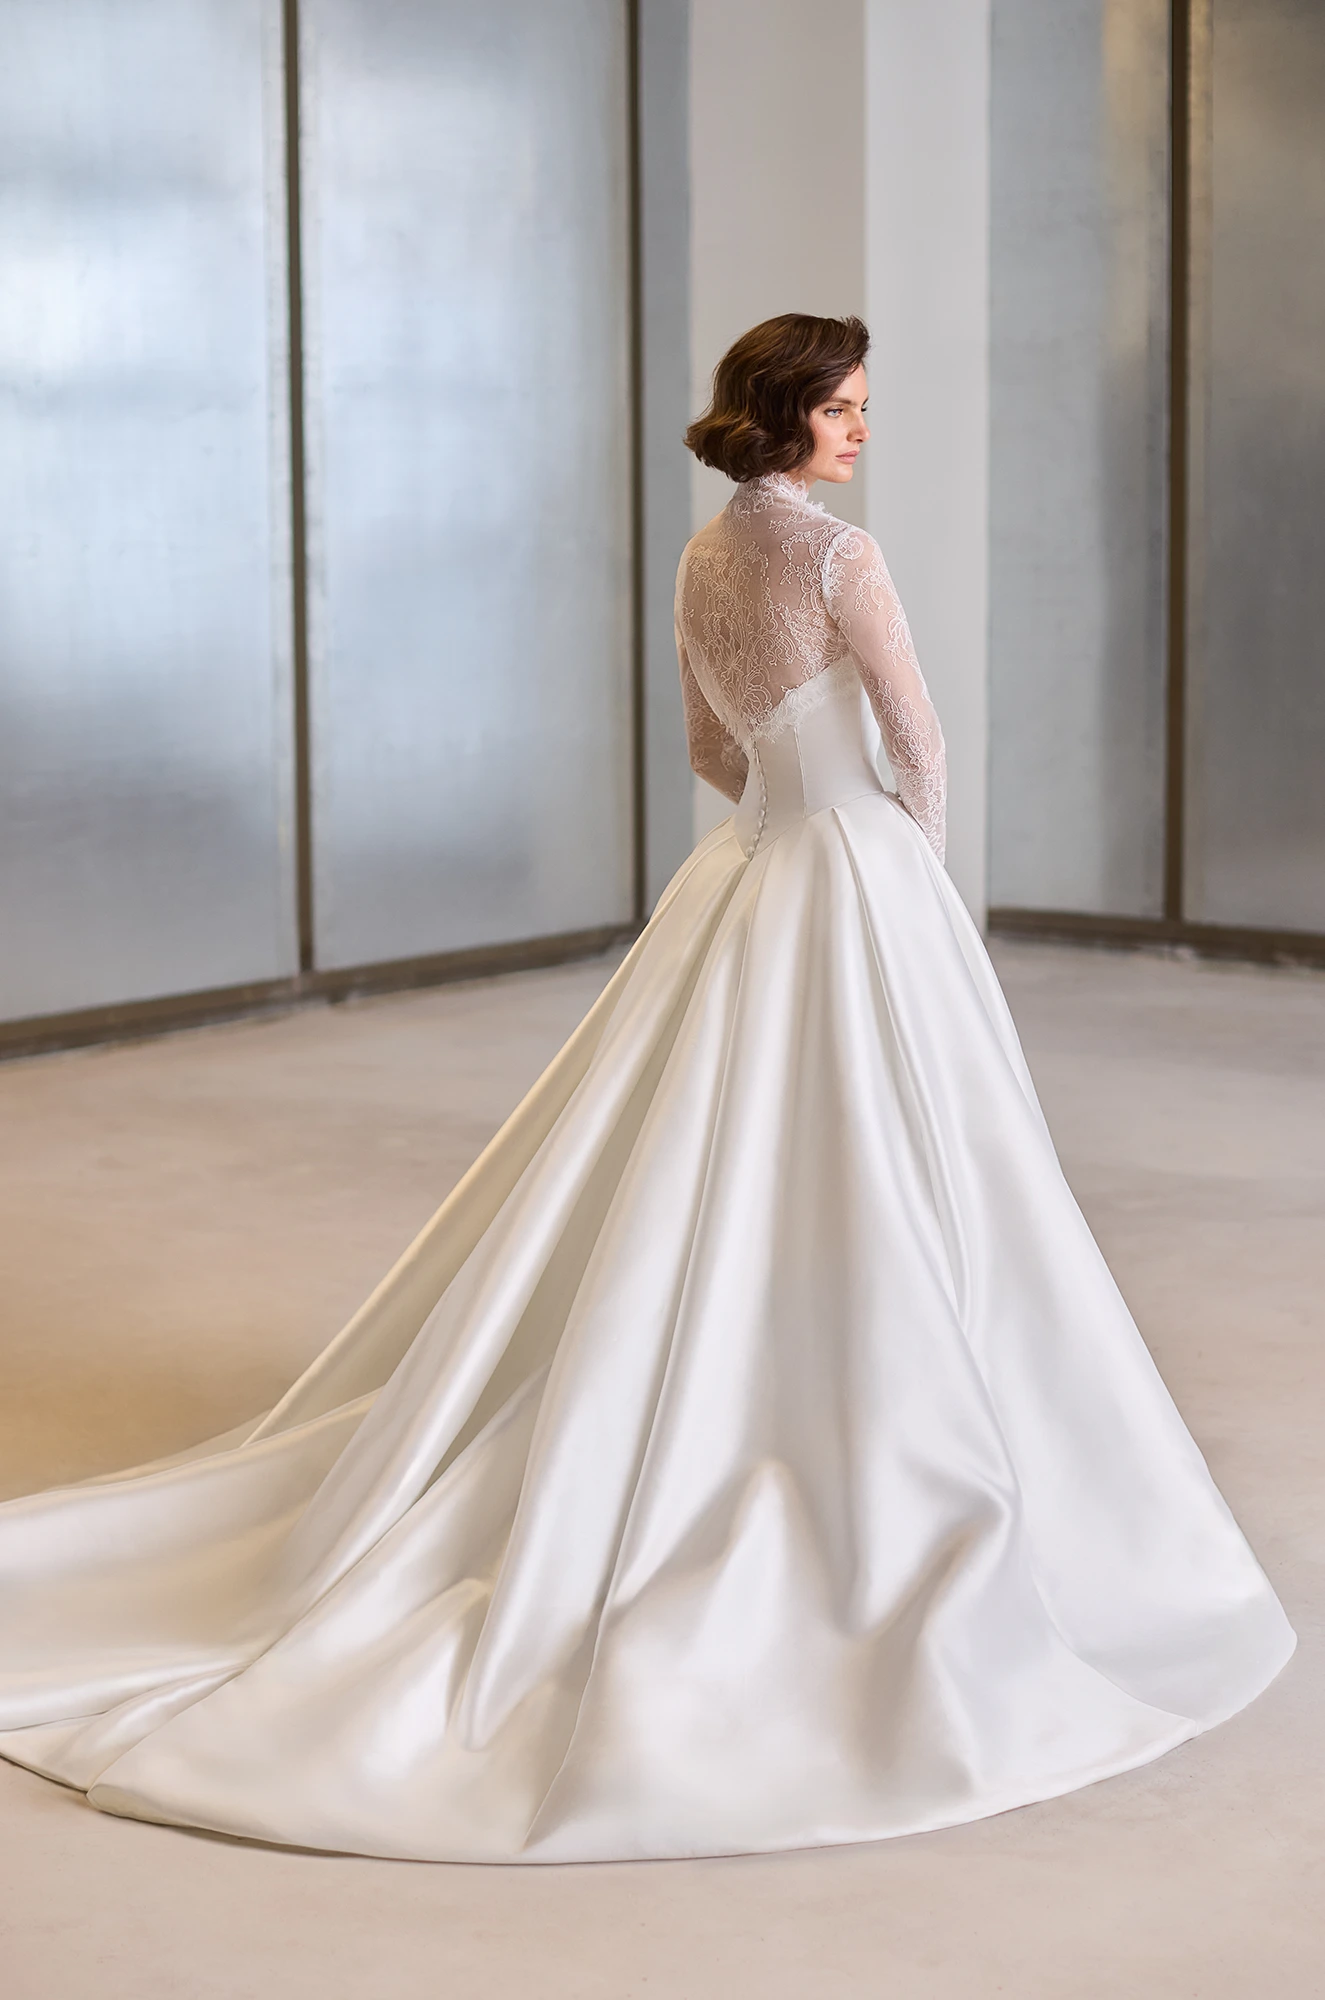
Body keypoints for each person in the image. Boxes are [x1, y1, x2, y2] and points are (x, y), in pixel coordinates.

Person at [0, 313, 1293, 1864]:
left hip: (746, 875)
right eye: (849, 407)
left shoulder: (700, 564)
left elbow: (707, 748)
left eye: (868, 407)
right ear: (793, 414)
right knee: (897, 1162)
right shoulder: (841, 560)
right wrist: (909, 885)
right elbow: (922, 744)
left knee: (698, 1158)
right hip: (857, 872)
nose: (864, 429)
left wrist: (785, 815)